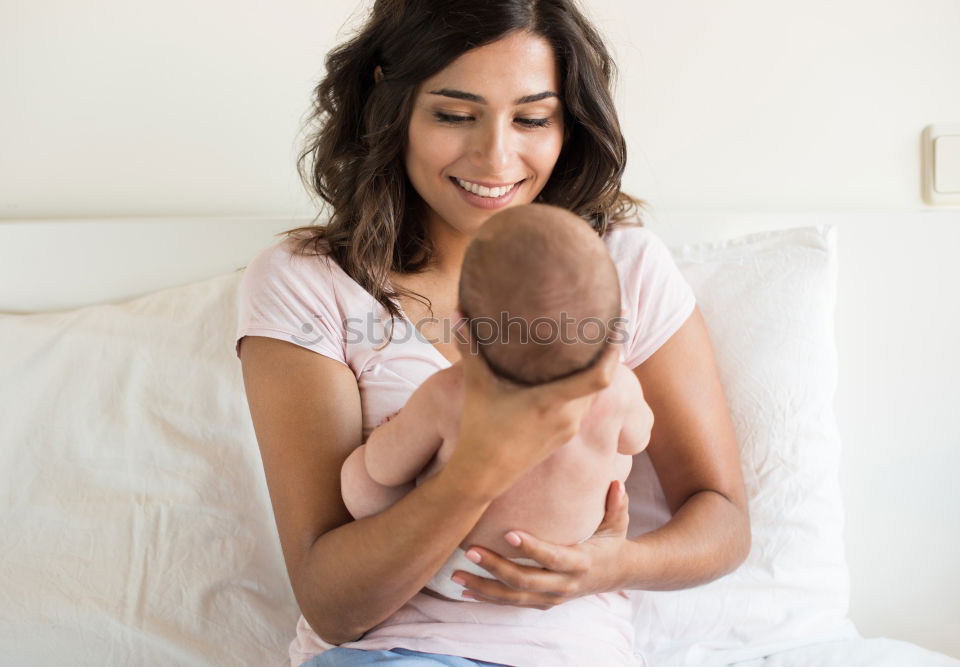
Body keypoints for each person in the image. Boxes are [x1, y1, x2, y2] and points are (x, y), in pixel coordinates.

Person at [235, 0, 750, 664]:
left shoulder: (619, 266)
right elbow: (333, 604)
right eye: (454, 115)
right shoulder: (309, 284)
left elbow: (723, 518)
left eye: (532, 118)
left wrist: (611, 564)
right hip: (392, 651)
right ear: (389, 104)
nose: (495, 157)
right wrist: (481, 463)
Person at [339, 204, 654, 603]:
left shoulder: (448, 392)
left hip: (458, 565)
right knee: (615, 453)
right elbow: (638, 439)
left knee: (362, 477)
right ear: (618, 323)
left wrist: (393, 429)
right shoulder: (619, 387)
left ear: (463, 328)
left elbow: (384, 470)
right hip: (566, 557)